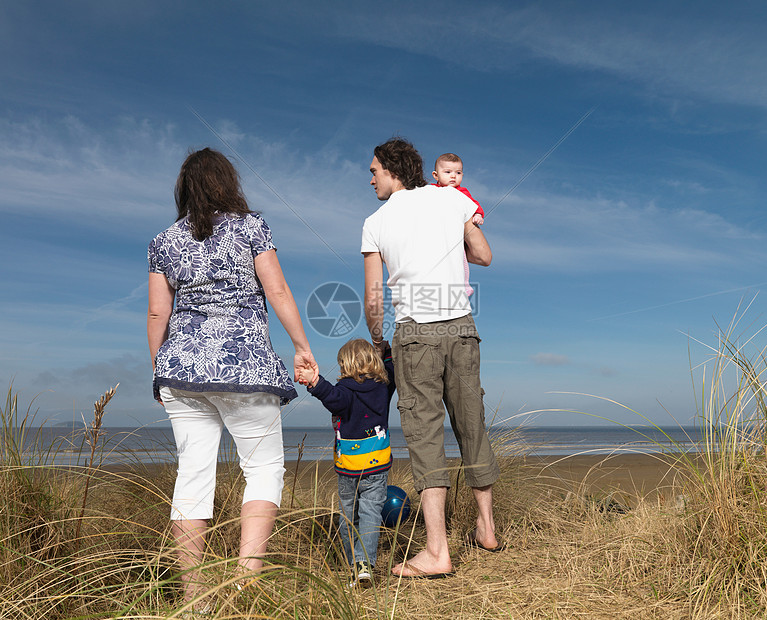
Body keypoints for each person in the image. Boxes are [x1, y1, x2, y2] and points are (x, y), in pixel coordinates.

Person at [147, 147, 318, 600]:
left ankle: (194, 596)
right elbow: (276, 288)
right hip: (244, 366)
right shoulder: (250, 226)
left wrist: (159, 370)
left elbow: (155, 314)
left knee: (193, 476)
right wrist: (302, 346)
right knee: (262, 469)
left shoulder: (164, 241)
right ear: (228, 184)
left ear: (184, 190)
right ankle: (245, 581)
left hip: (182, 368)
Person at [361, 137, 502, 579]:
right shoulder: (450, 198)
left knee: (424, 433)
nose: (371, 179)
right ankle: (487, 528)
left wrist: (379, 339)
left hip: (416, 333)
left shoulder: (375, 221)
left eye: (373, 171)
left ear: (391, 170)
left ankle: (437, 552)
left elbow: (372, 298)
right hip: (462, 325)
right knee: (470, 420)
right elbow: (483, 254)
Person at [298, 339, 395, 588]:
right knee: (371, 513)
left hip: (349, 466)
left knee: (348, 516)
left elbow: (330, 396)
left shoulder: (344, 389)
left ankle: (354, 563)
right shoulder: (384, 386)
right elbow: (392, 369)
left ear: (345, 364)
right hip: (377, 464)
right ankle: (365, 565)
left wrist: (313, 381)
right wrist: (386, 352)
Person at [432, 152, 485, 297]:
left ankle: (464, 285)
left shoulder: (462, 192)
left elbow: (474, 205)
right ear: (436, 175)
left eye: (458, 172)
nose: (453, 176)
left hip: (456, 236)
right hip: (439, 232)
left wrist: (478, 214)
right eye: (448, 172)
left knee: (460, 261)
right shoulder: (431, 190)